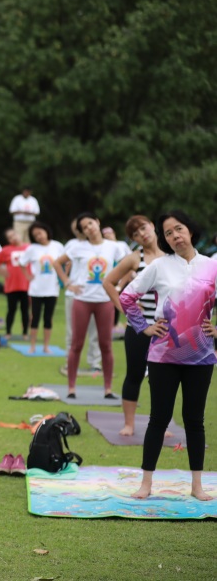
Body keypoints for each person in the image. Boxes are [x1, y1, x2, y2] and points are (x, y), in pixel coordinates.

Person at [119, 210, 216, 501]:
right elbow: (127, 296)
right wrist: (145, 327)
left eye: (178, 229)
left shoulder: (211, 266)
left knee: (194, 420)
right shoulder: (160, 266)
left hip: (201, 356)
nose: (174, 236)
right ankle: (146, 484)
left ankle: (197, 486)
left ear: (190, 230)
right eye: (168, 233)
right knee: (158, 419)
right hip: (163, 355)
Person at [103, 215, 164, 437]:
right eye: (135, 234)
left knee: (163, 376)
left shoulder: (171, 255)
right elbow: (108, 282)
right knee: (135, 374)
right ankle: (129, 424)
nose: (142, 234)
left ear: (152, 225)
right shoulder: (133, 258)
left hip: (166, 326)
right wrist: (123, 307)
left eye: (143, 228)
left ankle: (162, 423)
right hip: (138, 325)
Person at [55, 212, 126, 398]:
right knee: (76, 344)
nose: (89, 228)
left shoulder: (113, 247)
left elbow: (129, 266)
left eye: (90, 224)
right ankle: (71, 388)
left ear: (97, 222)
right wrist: (68, 283)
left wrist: (119, 286)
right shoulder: (78, 247)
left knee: (106, 345)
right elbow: (57, 263)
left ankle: (108, 389)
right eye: (84, 227)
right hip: (82, 300)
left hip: (104, 301)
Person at [61, 217, 102, 375]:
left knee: (95, 331)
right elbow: (62, 264)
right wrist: (67, 282)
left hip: (96, 294)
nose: (83, 229)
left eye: (86, 225)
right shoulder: (72, 245)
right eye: (80, 227)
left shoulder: (101, 246)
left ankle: (95, 362)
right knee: (72, 331)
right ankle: (69, 361)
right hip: (75, 294)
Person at [19, 222, 64, 354]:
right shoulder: (32, 249)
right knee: (35, 317)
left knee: (48, 318)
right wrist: (28, 276)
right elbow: (22, 263)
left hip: (52, 289)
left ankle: (46, 346)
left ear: (46, 231)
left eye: (40, 232)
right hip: (36, 289)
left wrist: (64, 277)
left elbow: (66, 262)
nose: (39, 236)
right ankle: (32, 346)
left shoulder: (57, 246)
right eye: (35, 235)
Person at [0, 228, 29, 341]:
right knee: (11, 310)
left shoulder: (29, 248)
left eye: (14, 235)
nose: (13, 238)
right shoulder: (6, 250)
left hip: (26, 285)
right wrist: (0, 270)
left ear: (19, 234)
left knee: (25, 311)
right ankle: (8, 332)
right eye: (10, 237)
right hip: (11, 286)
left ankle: (25, 333)